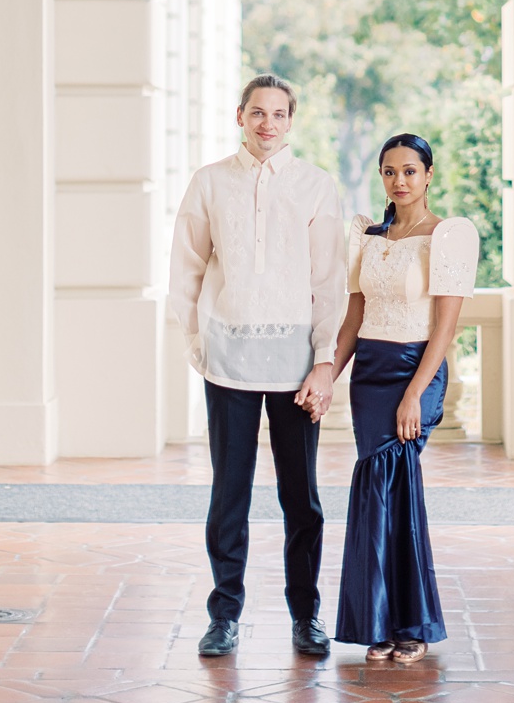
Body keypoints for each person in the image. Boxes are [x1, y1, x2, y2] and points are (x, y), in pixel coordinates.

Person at [168, 73, 348, 659]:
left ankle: (306, 616)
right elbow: (187, 268)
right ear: (240, 116)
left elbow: (329, 283)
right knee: (229, 495)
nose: (268, 123)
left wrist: (324, 363)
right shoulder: (210, 182)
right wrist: (199, 345)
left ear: (291, 122)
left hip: (296, 369)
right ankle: (224, 616)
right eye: (258, 112)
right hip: (229, 365)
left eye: (279, 113)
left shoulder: (316, 187)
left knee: (303, 499)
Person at [330, 133, 478, 663]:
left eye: (410, 171)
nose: (400, 181)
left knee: (397, 489)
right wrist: (328, 371)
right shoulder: (367, 236)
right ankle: (377, 622)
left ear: (429, 175)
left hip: (416, 371)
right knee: (374, 493)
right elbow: (353, 319)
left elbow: (445, 329)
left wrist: (415, 393)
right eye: (390, 172)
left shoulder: (448, 237)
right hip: (368, 374)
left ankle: (410, 625)